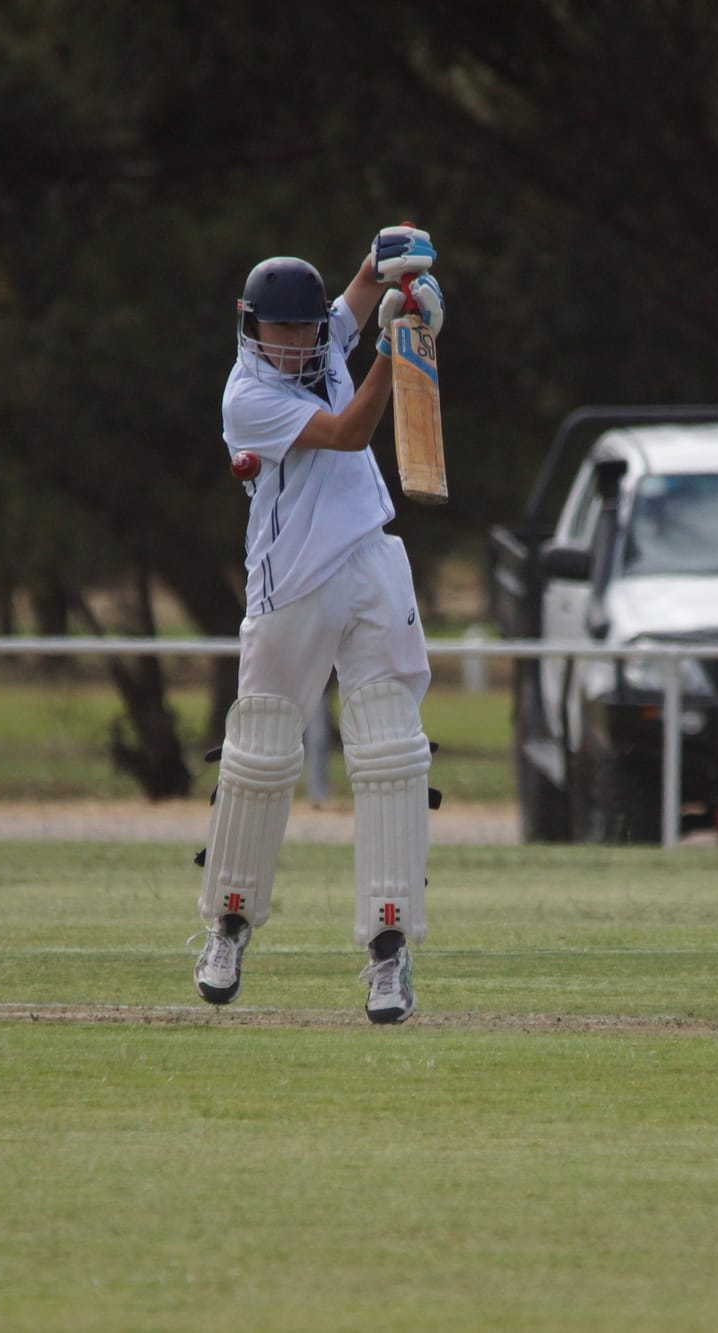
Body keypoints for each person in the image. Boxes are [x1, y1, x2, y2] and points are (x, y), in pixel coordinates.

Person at [192, 226, 444, 1023]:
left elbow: (363, 289)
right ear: (250, 326)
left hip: (370, 554)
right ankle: (228, 927)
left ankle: (389, 952)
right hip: (292, 580)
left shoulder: (325, 340)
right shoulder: (247, 396)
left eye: (306, 329)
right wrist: (400, 350)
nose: (298, 343)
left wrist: (396, 261)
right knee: (262, 751)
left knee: (392, 747)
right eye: (282, 330)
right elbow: (349, 432)